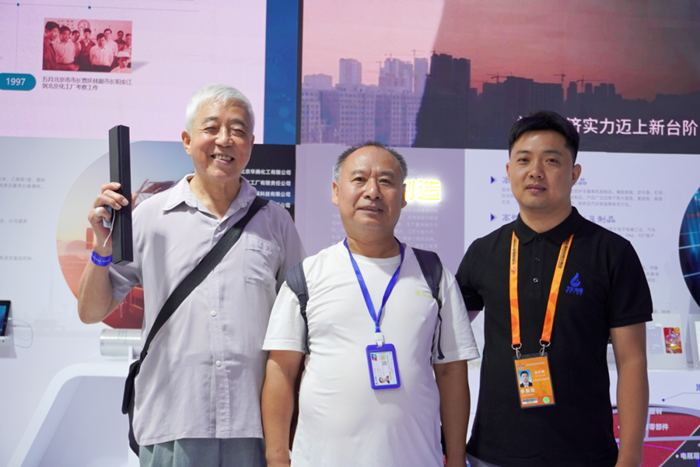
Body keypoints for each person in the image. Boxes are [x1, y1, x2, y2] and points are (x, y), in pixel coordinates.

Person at [77, 84, 306, 467]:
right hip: (172, 419)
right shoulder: (149, 217)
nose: (224, 139)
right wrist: (102, 246)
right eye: (211, 128)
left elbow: (300, 321)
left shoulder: (276, 222)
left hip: (253, 425)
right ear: (186, 141)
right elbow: (91, 311)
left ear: (251, 144)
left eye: (237, 130)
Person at [262, 141, 479, 467]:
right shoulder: (305, 277)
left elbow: (451, 372)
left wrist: (457, 458)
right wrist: (277, 457)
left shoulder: (434, 274)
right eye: (359, 179)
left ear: (403, 196)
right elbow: (282, 370)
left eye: (386, 181)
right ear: (336, 192)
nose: (373, 192)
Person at [456, 110, 652, 467]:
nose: (535, 171)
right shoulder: (484, 251)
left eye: (551, 160)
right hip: (492, 454)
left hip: (585, 455)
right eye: (524, 160)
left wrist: (630, 455)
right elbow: (445, 343)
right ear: (508, 171)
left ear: (574, 173)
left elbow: (632, 360)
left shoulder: (612, 252)